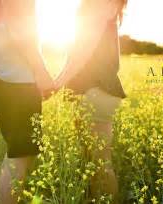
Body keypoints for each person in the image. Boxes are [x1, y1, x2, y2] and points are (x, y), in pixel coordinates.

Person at [0, 0, 54, 203]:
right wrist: (40, 70)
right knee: (20, 154)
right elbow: (18, 23)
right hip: (16, 76)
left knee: (20, 151)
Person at [56, 0, 127, 202]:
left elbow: (83, 50)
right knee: (91, 162)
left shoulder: (101, 3)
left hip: (96, 91)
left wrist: (58, 81)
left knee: (100, 162)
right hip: (90, 91)